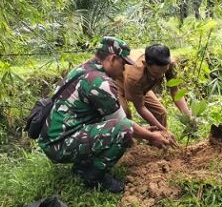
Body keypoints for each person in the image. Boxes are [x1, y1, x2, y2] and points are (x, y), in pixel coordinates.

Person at [37, 36, 174, 194]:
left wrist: (143, 130)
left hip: (55, 137)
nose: (124, 70)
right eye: (123, 64)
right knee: (123, 131)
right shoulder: (100, 83)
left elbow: (110, 117)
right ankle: (94, 176)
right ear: (113, 59)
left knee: (112, 121)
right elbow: (124, 125)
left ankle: (82, 164)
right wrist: (151, 137)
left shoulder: (83, 69)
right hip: (60, 144)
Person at [116, 44, 194, 131]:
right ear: (145, 64)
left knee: (160, 113)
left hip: (142, 83)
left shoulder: (169, 63)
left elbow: (175, 90)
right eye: (156, 73)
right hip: (118, 81)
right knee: (125, 114)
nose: (160, 76)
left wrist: (188, 116)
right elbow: (140, 107)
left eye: (163, 72)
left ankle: (158, 142)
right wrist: (163, 130)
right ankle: (130, 141)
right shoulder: (134, 76)